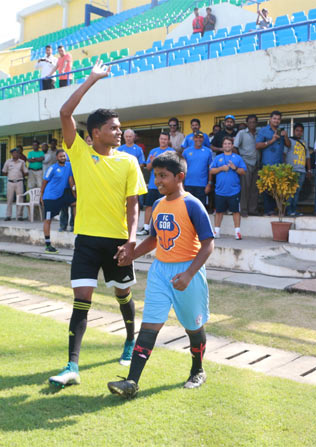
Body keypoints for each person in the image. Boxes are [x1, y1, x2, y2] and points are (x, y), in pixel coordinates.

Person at [49, 60, 147, 387]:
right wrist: (92, 79)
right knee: (82, 300)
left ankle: (130, 340)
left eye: (120, 127)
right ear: (95, 133)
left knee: (123, 295)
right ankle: (71, 367)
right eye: (114, 128)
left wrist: (131, 242)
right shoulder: (79, 153)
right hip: (87, 241)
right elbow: (65, 113)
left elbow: (133, 204)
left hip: (119, 242)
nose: (120, 132)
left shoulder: (130, 161)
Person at [107, 151, 215, 398]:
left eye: (163, 176)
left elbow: (208, 243)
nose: (157, 181)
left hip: (187, 271)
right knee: (149, 326)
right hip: (160, 271)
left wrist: (188, 274)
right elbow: (155, 239)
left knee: (193, 327)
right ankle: (131, 382)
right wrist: (131, 254)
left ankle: (197, 370)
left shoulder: (192, 204)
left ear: (180, 177)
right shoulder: (157, 204)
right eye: (155, 176)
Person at [137, 132, 176, 236]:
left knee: (165, 206)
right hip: (154, 184)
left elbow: (171, 168)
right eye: (161, 139)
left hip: (166, 184)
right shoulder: (153, 151)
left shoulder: (171, 152)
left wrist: (158, 162)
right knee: (149, 205)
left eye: (165, 139)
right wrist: (153, 162)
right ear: (159, 139)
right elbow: (148, 168)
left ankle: (163, 229)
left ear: (168, 140)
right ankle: (146, 228)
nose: (163, 141)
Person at [210, 137, 246, 240]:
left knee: (236, 211)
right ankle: (216, 231)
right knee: (219, 211)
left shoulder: (237, 158)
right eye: (225, 144)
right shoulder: (217, 158)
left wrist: (235, 168)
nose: (227, 145)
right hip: (220, 190)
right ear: (222, 146)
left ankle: (237, 232)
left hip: (234, 190)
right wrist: (221, 168)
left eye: (229, 144)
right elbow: (211, 171)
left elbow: (243, 172)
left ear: (232, 145)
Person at [256, 110, 291, 215]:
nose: (276, 120)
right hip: (267, 164)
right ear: (270, 119)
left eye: (278, 119)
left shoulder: (281, 131)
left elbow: (288, 145)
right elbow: (257, 146)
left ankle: (278, 210)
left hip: (279, 165)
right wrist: (272, 140)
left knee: (278, 189)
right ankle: (268, 210)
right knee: (267, 189)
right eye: (274, 118)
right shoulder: (263, 131)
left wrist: (285, 136)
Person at [41, 150, 76, 253]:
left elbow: (70, 181)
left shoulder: (69, 166)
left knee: (76, 203)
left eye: (64, 156)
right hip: (50, 197)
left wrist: (75, 194)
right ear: (57, 157)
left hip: (62, 195)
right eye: (61, 156)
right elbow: (44, 182)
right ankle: (48, 245)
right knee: (48, 220)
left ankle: (77, 228)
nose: (63, 157)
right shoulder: (52, 168)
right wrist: (41, 195)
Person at [234, 114, 260, 216]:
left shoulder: (259, 134)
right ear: (247, 123)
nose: (252, 124)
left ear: (256, 123)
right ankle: (244, 210)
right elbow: (235, 147)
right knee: (245, 187)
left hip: (257, 163)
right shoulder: (241, 133)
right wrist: (240, 161)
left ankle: (252, 209)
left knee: (255, 188)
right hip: (245, 163)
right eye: (250, 122)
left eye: (254, 122)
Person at [285, 123, 311, 216]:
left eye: (301, 131)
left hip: (302, 171)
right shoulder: (289, 141)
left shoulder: (304, 143)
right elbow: (284, 154)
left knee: (297, 192)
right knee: (290, 191)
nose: (299, 132)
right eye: (297, 130)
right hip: (291, 170)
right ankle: (288, 210)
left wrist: (309, 170)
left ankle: (294, 210)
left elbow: (308, 157)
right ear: (294, 131)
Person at [182, 131, 214, 207]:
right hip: (188, 184)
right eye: (196, 137)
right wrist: (181, 184)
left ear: (203, 139)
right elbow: (181, 168)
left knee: (200, 208)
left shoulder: (208, 151)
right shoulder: (186, 151)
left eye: (200, 137)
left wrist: (209, 184)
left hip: (202, 185)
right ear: (193, 138)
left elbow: (210, 169)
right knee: (187, 208)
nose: (198, 139)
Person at [2, 147, 28, 221]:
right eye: (13, 153)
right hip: (10, 182)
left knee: (20, 199)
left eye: (17, 153)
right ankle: (8, 216)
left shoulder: (22, 162)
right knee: (9, 199)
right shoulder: (8, 162)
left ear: (19, 154)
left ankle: (19, 216)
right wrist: (11, 175)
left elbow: (26, 172)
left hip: (19, 182)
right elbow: (4, 172)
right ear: (11, 154)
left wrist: (19, 175)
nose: (15, 154)